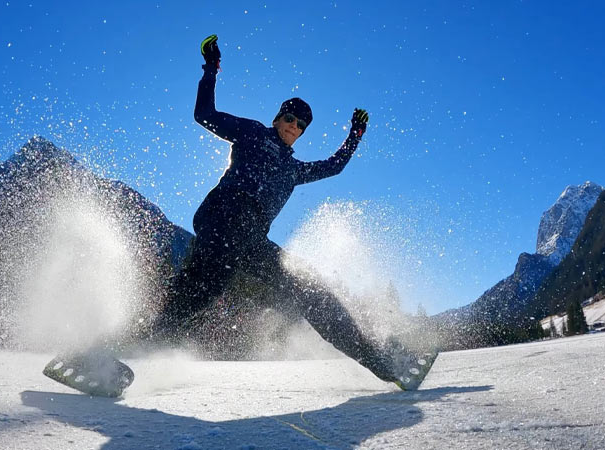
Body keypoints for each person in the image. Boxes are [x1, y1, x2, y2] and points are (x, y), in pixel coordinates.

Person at [150, 35, 436, 390]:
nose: (293, 126)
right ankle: (124, 345)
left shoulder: (294, 170)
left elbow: (334, 166)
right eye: (289, 118)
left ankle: (380, 361)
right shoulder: (252, 133)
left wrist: (355, 135)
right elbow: (204, 115)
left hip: (252, 238)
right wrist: (211, 68)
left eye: (301, 125)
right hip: (223, 215)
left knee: (308, 289)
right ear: (277, 117)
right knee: (205, 285)